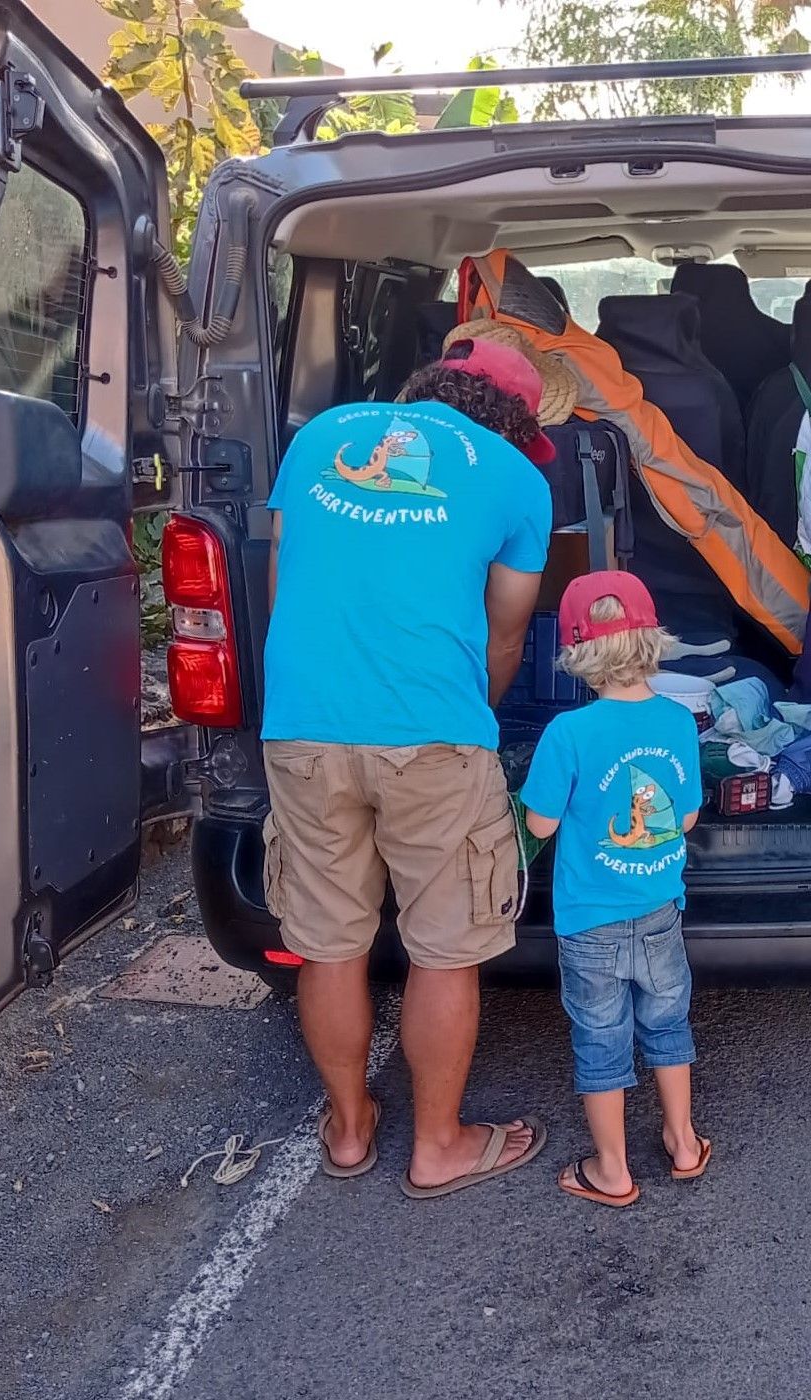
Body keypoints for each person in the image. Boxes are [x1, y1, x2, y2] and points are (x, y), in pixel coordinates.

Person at [262, 336, 563, 1191]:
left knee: (328, 942)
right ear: (514, 421)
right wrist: (477, 719)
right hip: (432, 727)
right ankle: (439, 1146)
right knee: (444, 949)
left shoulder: (321, 436)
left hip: (302, 722)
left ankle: (350, 1129)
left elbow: (287, 584)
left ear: (425, 385)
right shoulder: (517, 478)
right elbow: (506, 631)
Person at [521, 571, 711, 1208]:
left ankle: (612, 1170)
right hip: (659, 911)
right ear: (653, 639)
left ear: (576, 654)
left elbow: (541, 824)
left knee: (601, 1041)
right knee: (667, 1024)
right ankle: (683, 1143)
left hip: (590, 923)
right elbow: (684, 818)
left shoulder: (568, 735)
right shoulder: (679, 722)